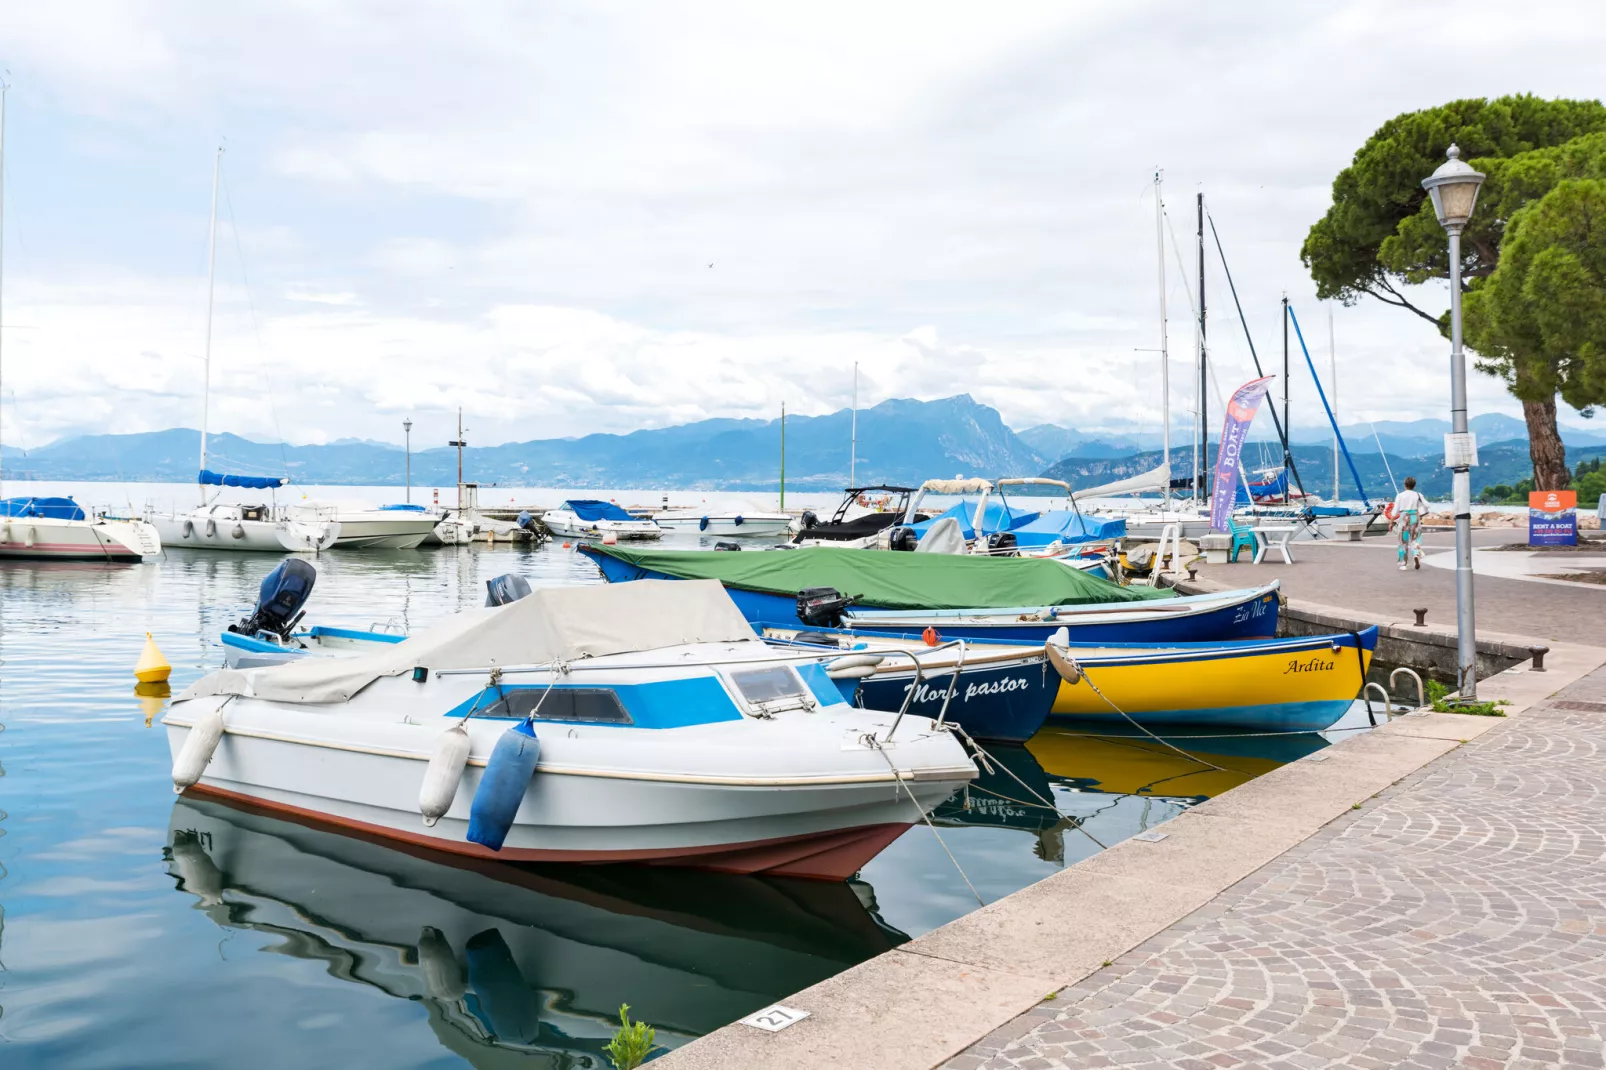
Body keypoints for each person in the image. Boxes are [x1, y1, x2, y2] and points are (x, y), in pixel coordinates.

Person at [1391, 477, 1430, 570]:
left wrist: (1391, 521)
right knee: (1415, 539)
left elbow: (1395, 510)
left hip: (1404, 516)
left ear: (1405, 485)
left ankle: (1403, 564)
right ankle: (1416, 554)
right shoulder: (1418, 494)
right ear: (1414, 485)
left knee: (1402, 541)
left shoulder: (1400, 495)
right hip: (1414, 517)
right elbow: (1427, 505)